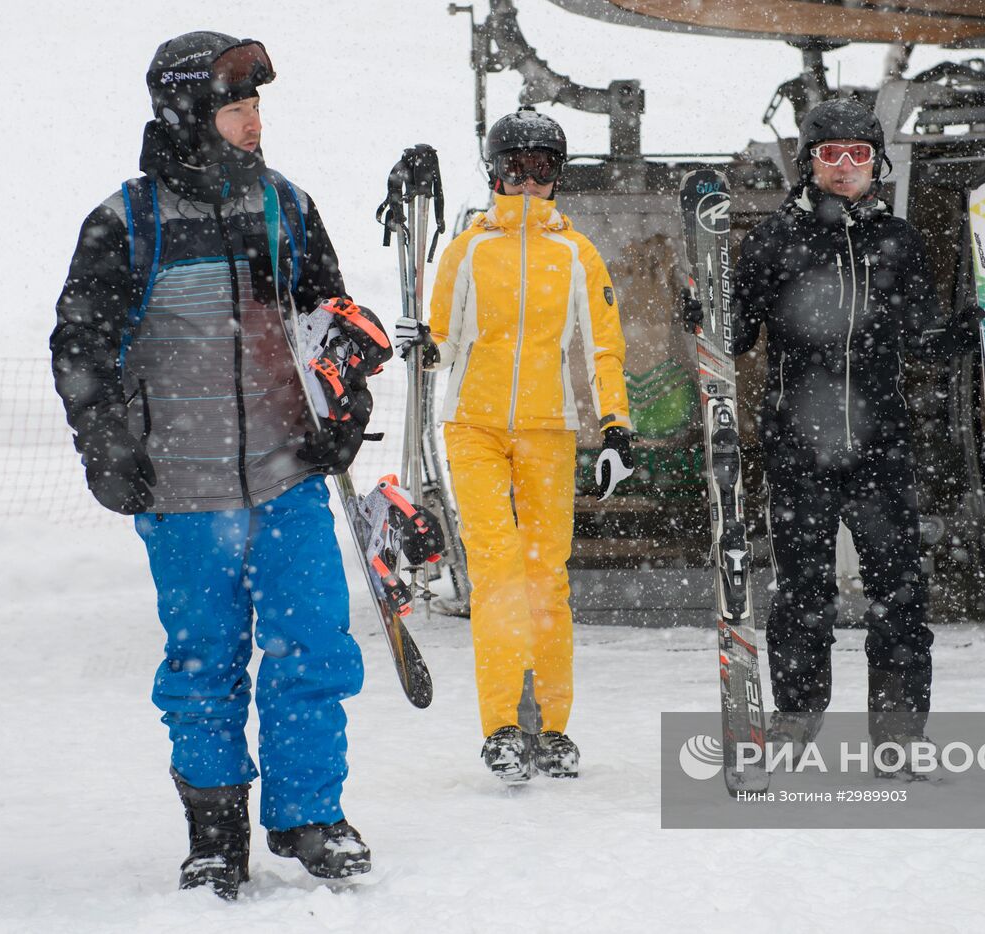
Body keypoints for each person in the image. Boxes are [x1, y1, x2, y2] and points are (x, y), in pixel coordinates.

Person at [51, 31, 380, 897]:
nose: (253, 121)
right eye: (236, 105)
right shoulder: (127, 222)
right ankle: (215, 831)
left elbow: (330, 324)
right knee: (203, 662)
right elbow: (79, 350)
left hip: (289, 476)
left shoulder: (285, 206)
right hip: (183, 488)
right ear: (191, 111)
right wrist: (108, 449)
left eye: (257, 103)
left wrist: (346, 406)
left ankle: (310, 815)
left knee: (312, 645)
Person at [706, 97, 985, 775]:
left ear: (876, 163)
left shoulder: (897, 241)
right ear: (808, 162)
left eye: (858, 155)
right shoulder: (772, 242)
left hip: (880, 445)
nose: (844, 167)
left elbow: (921, 336)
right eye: (830, 154)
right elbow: (735, 338)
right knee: (803, 594)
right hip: (799, 447)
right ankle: (795, 720)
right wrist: (706, 306)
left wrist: (976, 325)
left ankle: (899, 736)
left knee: (900, 595)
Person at [401, 108, 633, 783]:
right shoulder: (470, 248)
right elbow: (443, 338)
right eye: (516, 168)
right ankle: (502, 723)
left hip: (548, 430)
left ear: (558, 175)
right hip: (472, 427)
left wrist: (615, 426)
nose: (529, 182)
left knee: (546, 580)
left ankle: (553, 728)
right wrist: (425, 344)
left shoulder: (576, 254)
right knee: (499, 571)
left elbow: (605, 349)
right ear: (496, 172)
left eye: (543, 169)